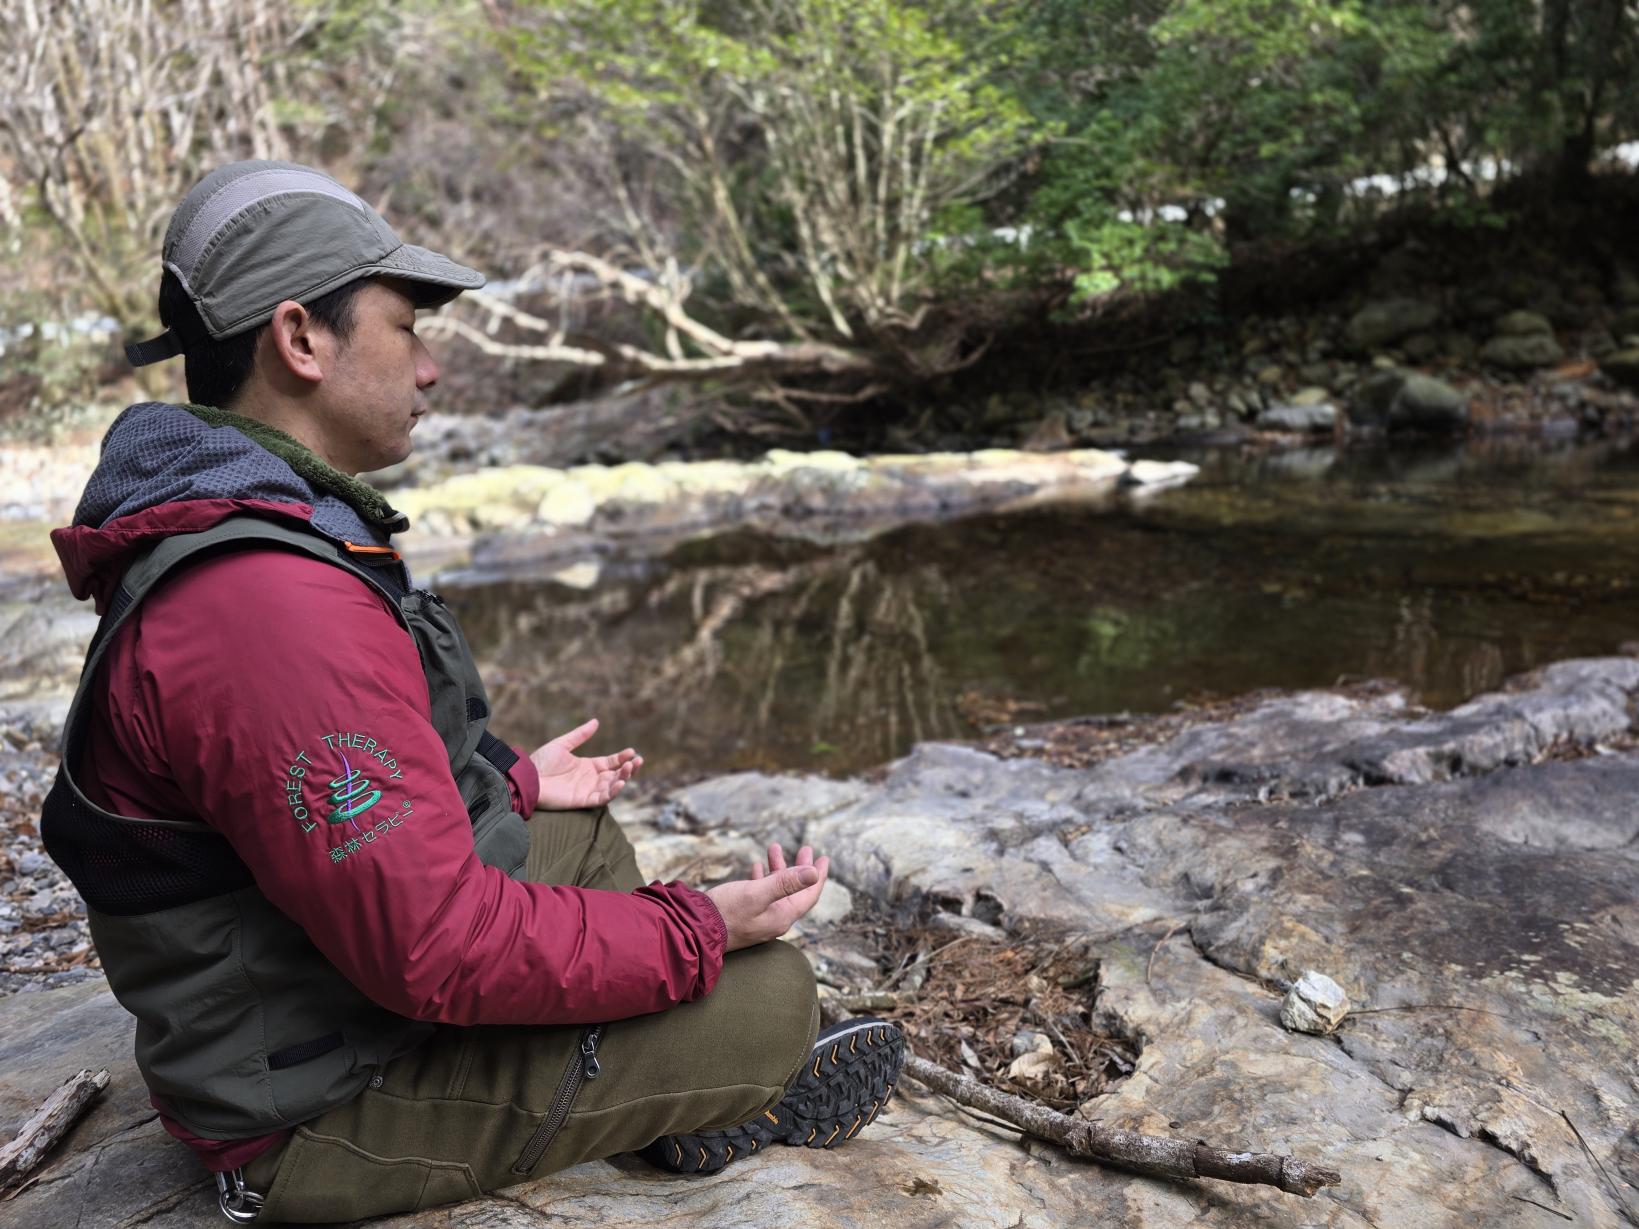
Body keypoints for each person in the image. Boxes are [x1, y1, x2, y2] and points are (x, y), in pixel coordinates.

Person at [40, 160, 903, 1224]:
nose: (433, 368)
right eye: (407, 327)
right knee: (770, 999)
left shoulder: (248, 524)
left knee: (573, 837)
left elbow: (307, 804)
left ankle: (625, 1065)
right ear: (301, 338)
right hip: (308, 1108)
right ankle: (673, 1084)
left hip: (324, 987)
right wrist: (698, 931)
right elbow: (430, 945)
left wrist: (511, 781)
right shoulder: (263, 602)